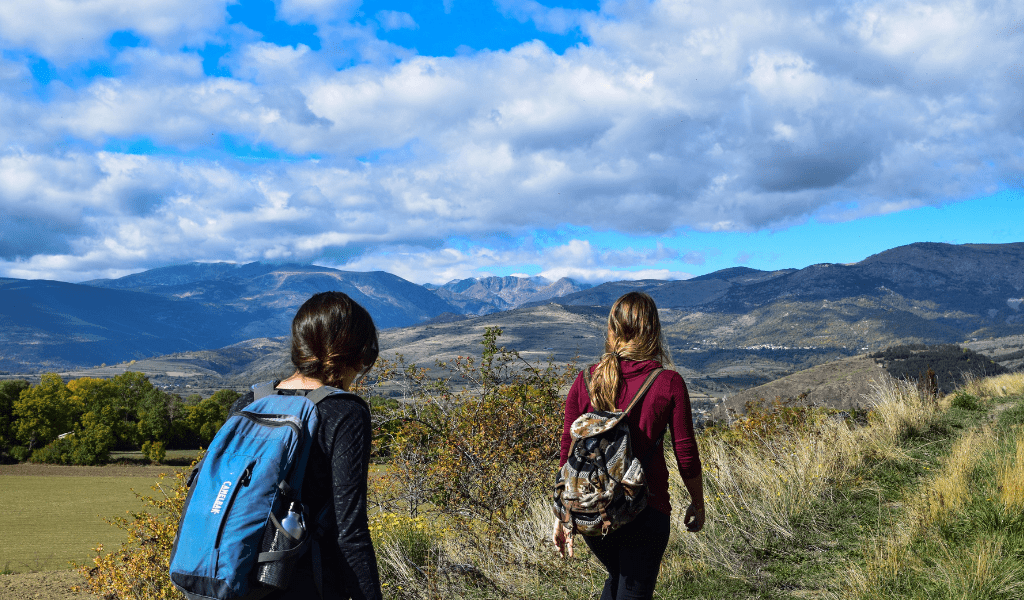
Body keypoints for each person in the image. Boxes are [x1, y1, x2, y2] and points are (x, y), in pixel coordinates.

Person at [230, 291, 382, 600]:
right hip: (306, 585)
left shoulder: (250, 402)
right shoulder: (345, 412)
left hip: (235, 582)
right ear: (354, 353)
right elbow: (349, 533)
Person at [552, 291, 704, 600]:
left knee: (619, 581)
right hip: (646, 509)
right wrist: (698, 503)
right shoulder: (667, 382)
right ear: (653, 329)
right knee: (632, 588)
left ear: (612, 329)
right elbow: (685, 454)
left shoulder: (584, 380)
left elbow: (567, 454)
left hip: (594, 511)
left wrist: (563, 514)